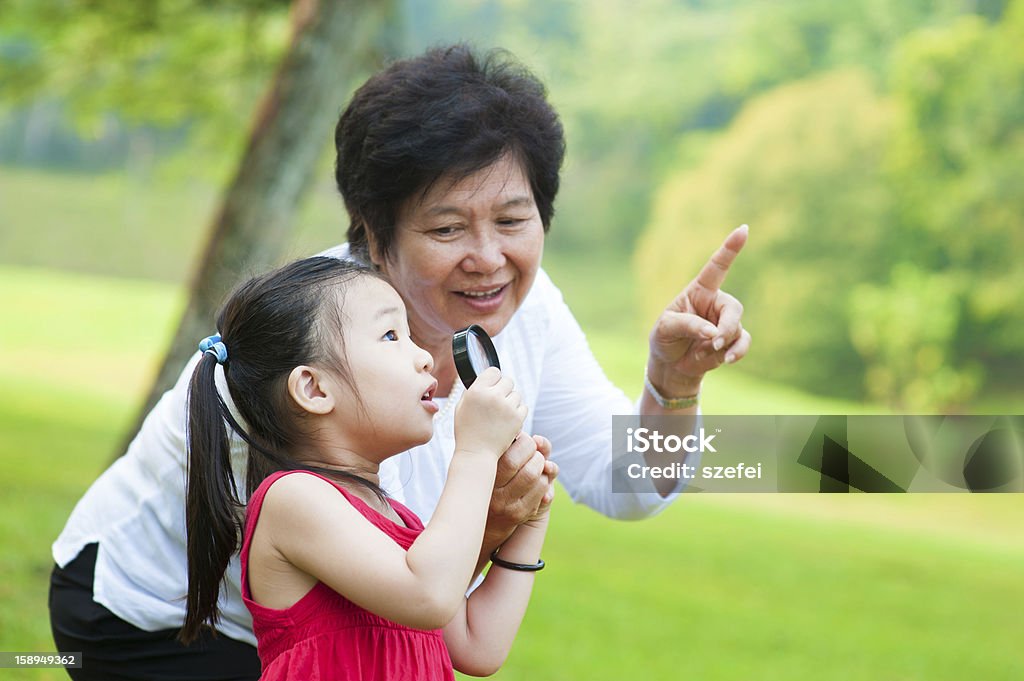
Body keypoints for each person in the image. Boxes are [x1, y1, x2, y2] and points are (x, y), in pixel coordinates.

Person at [50, 44, 749, 678]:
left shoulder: (529, 312)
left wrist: (673, 383)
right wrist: (493, 516)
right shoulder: (315, 351)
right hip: (153, 621)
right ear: (373, 236)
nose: (488, 258)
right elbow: (415, 584)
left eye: (512, 220)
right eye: (447, 227)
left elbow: (626, 479)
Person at [181, 256, 550, 680]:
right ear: (314, 389)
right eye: (392, 335)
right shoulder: (292, 498)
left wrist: (531, 517)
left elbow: (477, 646)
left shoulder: (400, 520)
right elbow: (428, 596)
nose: (426, 358)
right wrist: (476, 453)